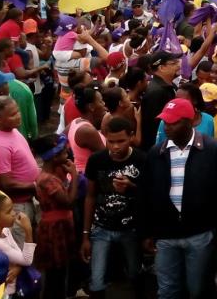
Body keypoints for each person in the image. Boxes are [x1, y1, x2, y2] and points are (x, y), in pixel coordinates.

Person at [137, 98, 217, 299]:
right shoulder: (156, 153)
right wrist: (146, 232)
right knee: (167, 291)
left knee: (197, 290)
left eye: (173, 122)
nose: (167, 127)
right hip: (165, 236)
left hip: (200, 236)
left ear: (190, 122)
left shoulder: (213, 150)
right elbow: (145, 194)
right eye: (165, 122)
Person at [81, 116, 145, 298]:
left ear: (131, 136)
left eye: (121, 141)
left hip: (131, 229)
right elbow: (90, 197)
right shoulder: (96, 160)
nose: (115, 146)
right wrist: (86, 235)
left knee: (135, 272)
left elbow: (149, 195)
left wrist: (131, 187)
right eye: (110, 141)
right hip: (101, 228)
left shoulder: (141, 159)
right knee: (97, 279)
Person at [31, 134, 80, 299]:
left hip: (61, 223)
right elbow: (69, 201)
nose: (67, 154)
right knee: (55, 273)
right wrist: (74, 175)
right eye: (64, 152)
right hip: (55, 228)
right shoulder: (47, 180)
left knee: (61, 270)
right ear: (54, 157)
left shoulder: (53, 173)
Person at [0, 96, 39, 246]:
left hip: (29, 200)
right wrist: (35, 186)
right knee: (23, 247)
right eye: (13, 114)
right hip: (18, 206)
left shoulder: (12, 130)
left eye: (18, 111)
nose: (19, 116)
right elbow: (6, 184)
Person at [0, 191, 37, 298]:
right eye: (9, 212)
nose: (14, 213)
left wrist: (18, 267)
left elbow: (20, 256)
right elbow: (27, 260)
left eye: (13, 209)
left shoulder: (6, 231)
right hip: (6, 293)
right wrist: (28, 230)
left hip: (15, 288)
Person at [140, 51, 180, 150]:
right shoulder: (156, 92)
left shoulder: (170, 86)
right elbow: (153, 126)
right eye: (173, 63)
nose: (178, 66)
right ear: (161, 68)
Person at [67, 83, 107, 174]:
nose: (104, 104)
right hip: (86, 177)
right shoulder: (87, 131)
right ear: (91, 107)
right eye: (101, 101)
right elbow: (107, 157)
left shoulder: (76, 122)